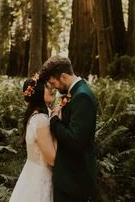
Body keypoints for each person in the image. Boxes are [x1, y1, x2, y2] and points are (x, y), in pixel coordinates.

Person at [40, 56, 98, 202]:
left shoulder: (82, 96)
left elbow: (75, 140)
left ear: (63, 77)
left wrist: (54, 121)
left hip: (75, 181)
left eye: (53, 83)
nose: (53, 88)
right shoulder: (75, 93)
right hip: (69, 178)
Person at [9, 74, 56, 202]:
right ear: (38, 92)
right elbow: (51, 159)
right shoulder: (40, 119)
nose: (51, 88)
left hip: (31, 172)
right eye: (46, 86)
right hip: (40, 178)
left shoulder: (37, 115)